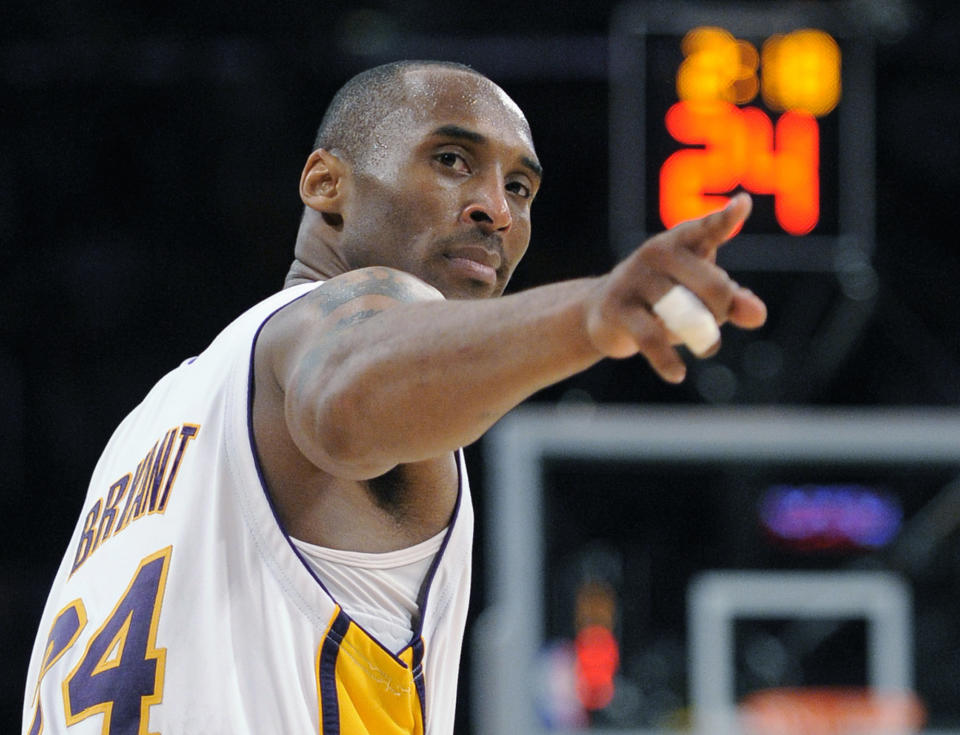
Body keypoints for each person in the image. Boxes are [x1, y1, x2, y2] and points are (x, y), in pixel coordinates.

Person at [22, 60, 766, 734]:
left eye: (520, 187)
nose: (496, 210)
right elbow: (345, 389)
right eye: (452, 160)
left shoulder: (147, 427)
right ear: (325, 184)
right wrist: (589, 316)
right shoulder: (334, 324)